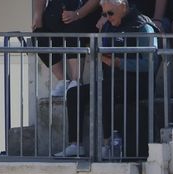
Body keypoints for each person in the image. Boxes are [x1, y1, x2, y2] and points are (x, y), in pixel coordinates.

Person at [57, 0, 158, 158]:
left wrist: (119, 63)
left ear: (123, 7)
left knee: (106, 91)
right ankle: (75, 144)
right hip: (114, 80)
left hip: (138, 83)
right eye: (104, 14)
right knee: (74, 93)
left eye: (110, 13)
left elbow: (150, 64)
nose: (107, 17)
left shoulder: (143, 26)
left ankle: (108, 144)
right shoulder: (108, 26)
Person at [32, 0, 101, 97]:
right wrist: (37, 15)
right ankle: (63, 80)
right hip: (55, 16)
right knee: (38, 36)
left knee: (74, 30)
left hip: (84, 16)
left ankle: (76, 81)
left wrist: (77, 14)